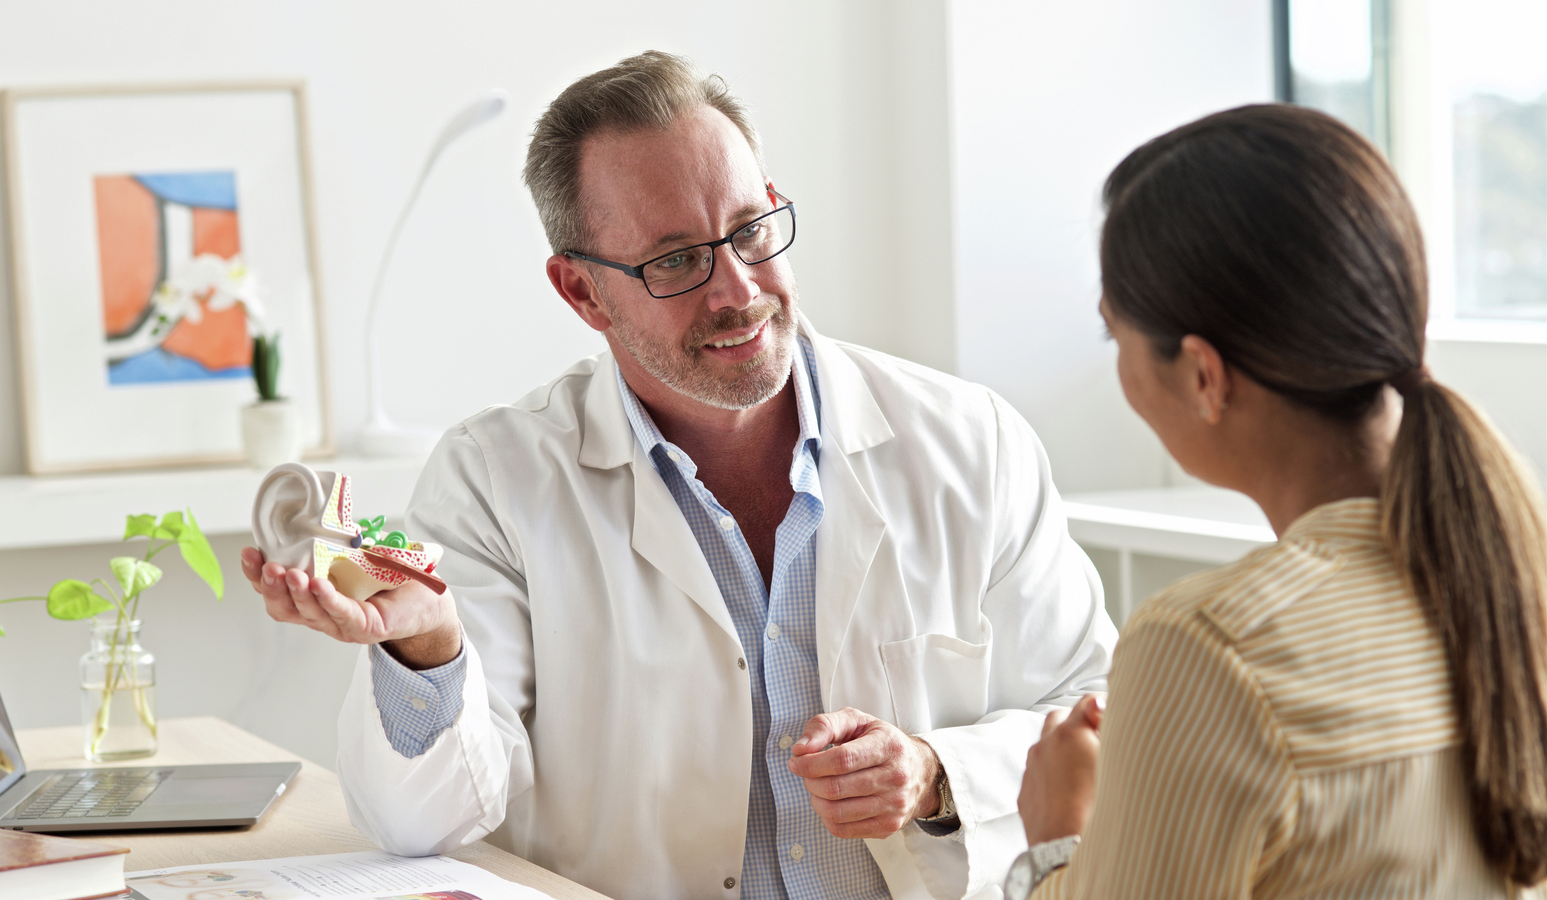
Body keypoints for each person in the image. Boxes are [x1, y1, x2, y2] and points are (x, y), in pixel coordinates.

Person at [240, 51, 1116, 900]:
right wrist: (427, 647)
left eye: (751, 231)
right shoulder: (493, 481)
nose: (736, 289)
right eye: (674, 260)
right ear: (582, 293)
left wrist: (936, 772)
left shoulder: (972, 442)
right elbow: (417, 827)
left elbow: (1101, 712)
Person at [1006, 103, 1547, 899]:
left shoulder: (1207, 642)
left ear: (1202, 375)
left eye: (1111, 335)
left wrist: (1060, 836)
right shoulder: (1513, 571)